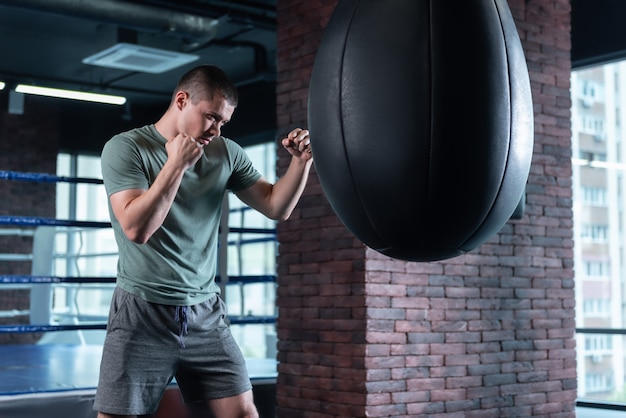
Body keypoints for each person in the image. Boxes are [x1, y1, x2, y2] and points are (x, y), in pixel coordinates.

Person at [94, 65, 313, 418]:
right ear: (182, 100)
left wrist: (301, 163)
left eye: (223, 122)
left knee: (244, 412)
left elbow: (275, 206)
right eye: (210, 117)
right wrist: (176, 165)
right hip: (143, 311)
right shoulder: (127, 148)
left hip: (205, 314)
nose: (216, 129)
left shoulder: (225, 152)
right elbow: (137, 228)